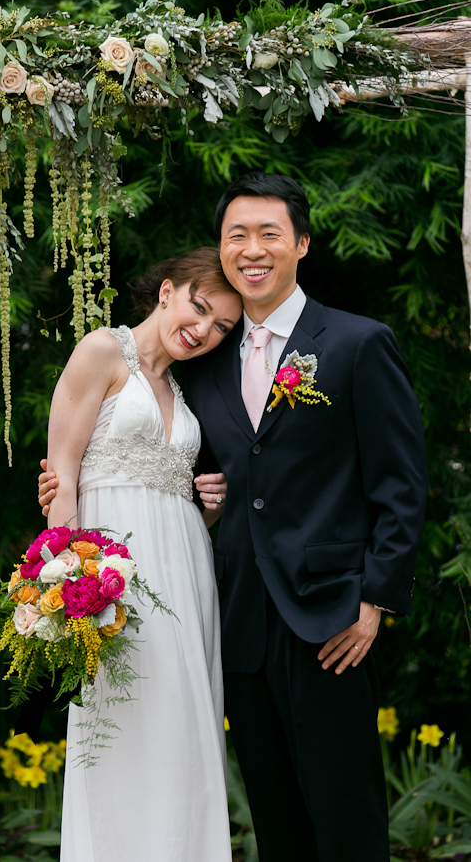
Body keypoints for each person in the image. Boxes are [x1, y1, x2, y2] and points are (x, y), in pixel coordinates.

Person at [41, 173, 428, 862]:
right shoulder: (204, 368)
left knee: (346, 816)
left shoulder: (355, 344)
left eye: (269, 233)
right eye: (236, 236)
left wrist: (373, 602)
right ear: (218, 253)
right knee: (276, 821)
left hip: (330, 618)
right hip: (234, 619)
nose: (252, 249)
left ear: (301, 243)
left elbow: (401, 484)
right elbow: (195, 472)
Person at [44, 246, 242, 862]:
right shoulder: (103, 350)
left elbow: (176, 497)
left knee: (183, 726)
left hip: (185, 573)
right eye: (199, 307)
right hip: (113, 582)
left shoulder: (186, 392)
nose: (204, 330)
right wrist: (70, 586)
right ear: (167, 291)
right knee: (122, 727)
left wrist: (211, 505)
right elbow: (63, 477)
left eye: (222, 327)